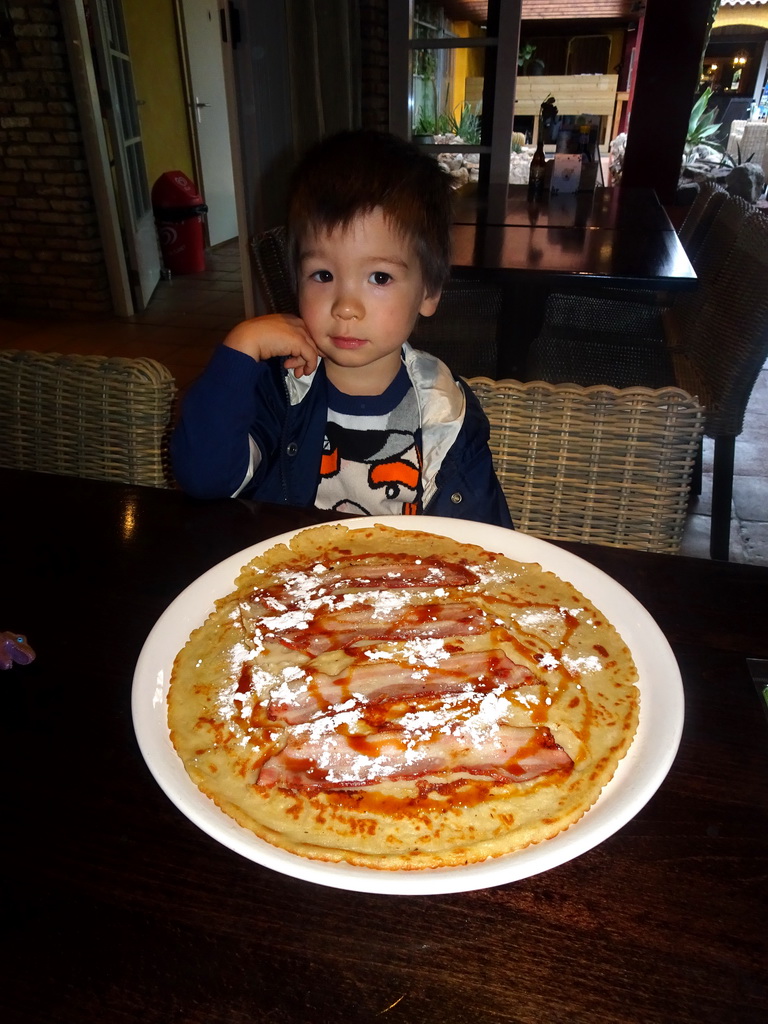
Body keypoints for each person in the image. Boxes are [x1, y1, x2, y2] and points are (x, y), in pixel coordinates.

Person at [171, 129, 512, 528]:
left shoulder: (445, 412)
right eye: (323, 274)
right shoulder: (279, 390)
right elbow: (203, 478)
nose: (346, 306)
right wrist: (238, 352)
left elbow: (482, 536)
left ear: (429, 291)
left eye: (380, 278)